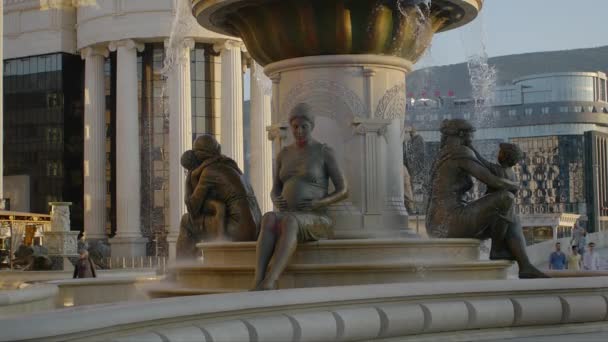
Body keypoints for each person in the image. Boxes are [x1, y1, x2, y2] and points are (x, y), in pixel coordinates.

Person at [426, 119, 547, 278]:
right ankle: (498, 251)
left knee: (510, 214)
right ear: (463, 135)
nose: (472, 139)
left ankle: (525, 266)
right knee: (506, 199)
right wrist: (515, 186)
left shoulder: (447, 153)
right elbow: (492, 180)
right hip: (448, 221)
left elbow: (485, 169)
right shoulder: (460, 152)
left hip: (439, 222)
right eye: (471, 136)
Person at [252, 103, 348, 291]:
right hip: (290, 213)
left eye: (304, 126)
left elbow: (344, 190)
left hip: (318, 218)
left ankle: (271, 280)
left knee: (289, 221)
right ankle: (258, 278)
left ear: (312, 126)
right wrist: (274, 198)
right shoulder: (283, 154)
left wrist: (319, 203)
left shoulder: (324, 152)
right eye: (295, 126)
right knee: (269, 218)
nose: (299, 131)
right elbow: (275, 188)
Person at [176, 135, 262, 259]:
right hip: (255, 229)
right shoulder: (230, 166)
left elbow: (193, 209)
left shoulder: (209, 172)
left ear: (200, 154)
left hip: (237, 230)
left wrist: (189, 179)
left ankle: (182, 270)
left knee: (187, 222)